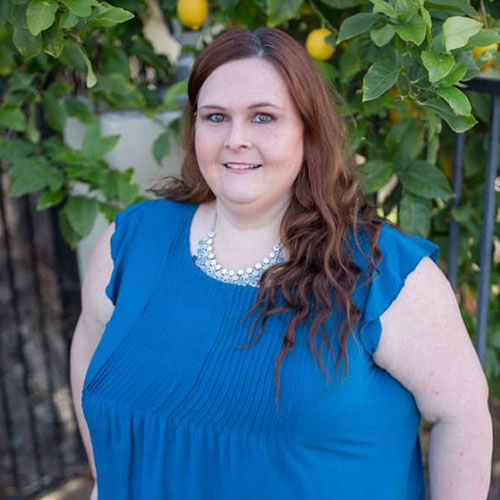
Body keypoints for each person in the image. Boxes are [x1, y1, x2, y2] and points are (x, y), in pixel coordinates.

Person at [70, 27, 493, 500]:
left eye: (263, 118)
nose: (236, 139)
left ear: (307, 131)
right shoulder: (134, 241)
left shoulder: (380, 273)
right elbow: (88, 351)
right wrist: (107, 482)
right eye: (215, 117)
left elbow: (462, 414)